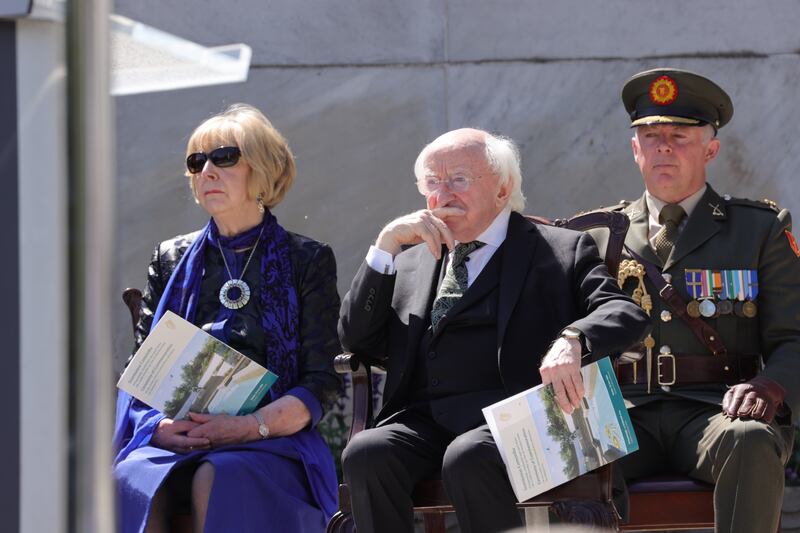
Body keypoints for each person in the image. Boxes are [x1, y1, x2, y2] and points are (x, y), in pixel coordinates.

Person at [338, 128, 650, 532]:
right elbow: (355, 340)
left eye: (459, 180)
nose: (443, 194)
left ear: (502, 189)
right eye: (432, 183)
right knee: (367, 452)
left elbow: (624, 312)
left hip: (525, 417)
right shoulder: (411, 260)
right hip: (426, 422)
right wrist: (384, 248)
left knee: (468, 456)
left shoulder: (560, 249)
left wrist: (573, 340)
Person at [585, 68, 799, 532]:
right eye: (651, 135)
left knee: (751, 440)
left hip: (716, 410)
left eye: (679, 135)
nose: (664, 146)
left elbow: (793, 338)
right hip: (624, 413)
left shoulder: (760, 229)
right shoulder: (599, 234)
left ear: (711, 149)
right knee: (562, 450)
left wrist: (771, 386)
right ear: (635, 149)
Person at [112, 103, 341, 533]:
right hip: (176, 437)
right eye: (197, 162)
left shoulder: (307, 259)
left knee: (218, 476)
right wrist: (159, 428)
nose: (207, 172)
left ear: (263, 170)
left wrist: (246, 427)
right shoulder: (169, 258)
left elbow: (320, 383)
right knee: (127, 477)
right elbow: (140, 373)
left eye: (225, 157)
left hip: (269, 441)